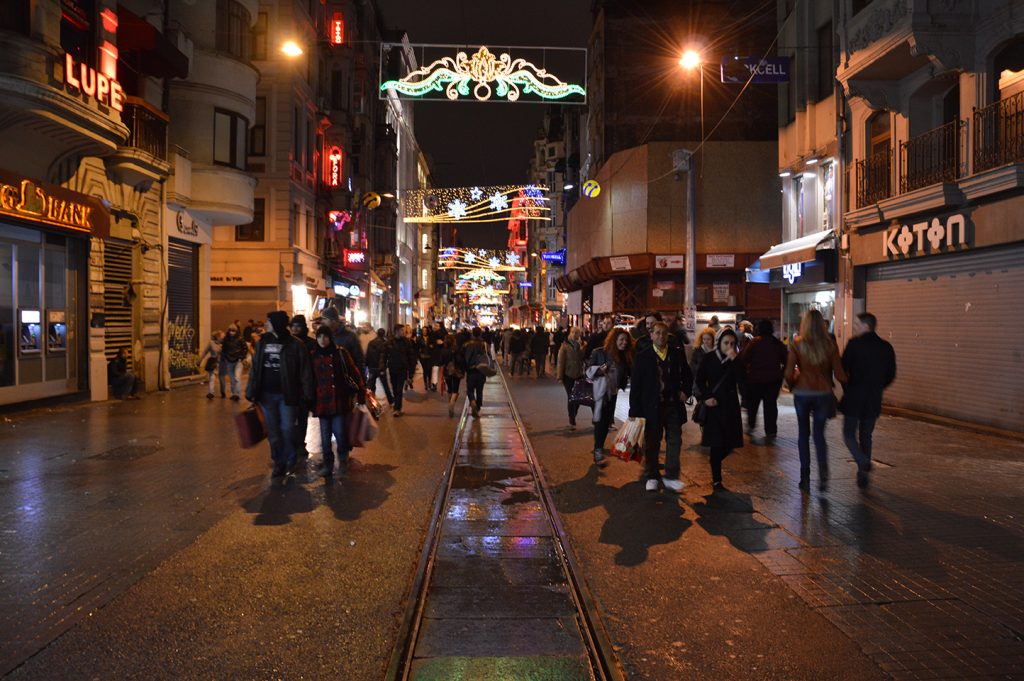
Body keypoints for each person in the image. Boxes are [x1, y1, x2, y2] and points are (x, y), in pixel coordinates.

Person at [784, 309, 848, 492]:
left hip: (803, 393)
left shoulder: (797, 344)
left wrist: (792, 384)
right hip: (823, 393)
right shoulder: (830, 345)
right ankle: (824, 475)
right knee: (819, 435)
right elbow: (840, 374)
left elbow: (788, 372)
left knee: (803, 434)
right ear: (822, 324)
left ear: (804, 324)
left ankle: (805, 477)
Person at [246, 311, 314, 478]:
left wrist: (307, 394)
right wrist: (251, 390)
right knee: (273, 432)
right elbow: (255, 368)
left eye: (268, 321)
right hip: (266, 395)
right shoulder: (263, 343)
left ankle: (291, 458)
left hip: (287, 396)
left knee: (287, 429)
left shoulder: (296, 345)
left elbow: (305, 371)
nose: (266, 324)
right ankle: (279, 462)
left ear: (276, 323)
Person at [629, 321, 693, 492]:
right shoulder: (643, 357)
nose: (660, 336)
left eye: (664, 333)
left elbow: (688, 374)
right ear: (651, 335)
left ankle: (671, 475)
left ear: (668, 336)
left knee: (675, 440)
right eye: (657, 333)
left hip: (672, 405)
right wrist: (634, 412)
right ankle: (652, 476)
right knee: (652, 443)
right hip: (652, 408)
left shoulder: (676, 354)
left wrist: (686, 391)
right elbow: (636, 387)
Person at [840, 312, 896, 488]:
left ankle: (862, 461)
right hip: (873, 398)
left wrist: (848, 387)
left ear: (866, 326)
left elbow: (843, 369)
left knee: (849, 433)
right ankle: (862, 474)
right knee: (866, 435)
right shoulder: (886, 347)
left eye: (857, 324)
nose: (854, 327)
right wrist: (878, 387)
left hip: (854, 396)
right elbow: (891, 374)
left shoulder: (854, 344)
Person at [310, 325, 364, 478]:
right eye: (319, 336)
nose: (322, 340)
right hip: (322, 402)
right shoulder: (313, 355)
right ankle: (328, 465)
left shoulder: (340, 353)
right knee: (325, 437)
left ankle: (343, 461)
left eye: (325, 336)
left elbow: (353, 371)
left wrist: (361, 390)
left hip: (339, 401)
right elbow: (310, 379)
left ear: (330, 338)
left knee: (340, 433)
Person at [695, 328, 745, 490]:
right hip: (714, 406)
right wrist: (706, 397)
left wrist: (736, 360)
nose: (729, 346)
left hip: (730, 406)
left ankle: (715, 463)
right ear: (719, 343)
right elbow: (700, 381)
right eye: (726, 343)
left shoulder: (736, 360)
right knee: (716, 443)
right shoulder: (709, 358)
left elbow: (744, 382)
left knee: (730, 443)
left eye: (732, 343)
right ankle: (717, 479)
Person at [587, 328, 634, 464]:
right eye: (621, 340)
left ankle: (598, 449)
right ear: (614, 341)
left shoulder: (625, 356)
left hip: (613, 394)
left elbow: (629, 373)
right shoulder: (599, 353)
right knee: (601, 422)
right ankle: (598, 451)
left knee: (607, 421)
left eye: (626, 340)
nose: (624, 343)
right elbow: (588, 371)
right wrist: (599, 371)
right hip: (600, 393)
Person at [738, 320, 787, 439]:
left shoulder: (754, 343)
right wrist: (781, 373)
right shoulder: (777, 343)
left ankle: (751, 425)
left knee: (753, 405)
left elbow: (743, 359)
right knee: (770, 406)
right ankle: (771, 431)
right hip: (773, 381)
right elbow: (786, 360)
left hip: (755, 380)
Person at [289, 315, 318, 462]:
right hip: (290, 387)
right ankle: (292, 444)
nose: (295, 329)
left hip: (304, 387)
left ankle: (300, 443)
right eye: (292, 326)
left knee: (302, 418)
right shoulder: (287, 343)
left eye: (297, 326)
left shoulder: (311, 344)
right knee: (289, 418)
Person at [556, 327, 586, 430]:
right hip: (568, 375)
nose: (574, 334)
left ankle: (574, 414)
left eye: (576, 333)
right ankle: (571, 419)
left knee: (578, 398)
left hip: (579, 375)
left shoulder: (582, 345)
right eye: (573, 332)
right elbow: (560, 362)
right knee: (571, 397)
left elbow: (584, 358)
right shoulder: (565, 345)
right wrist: (559, 376)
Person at [321, 307, 366, 376]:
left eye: (324, 319)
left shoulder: (350, 336)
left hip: (346, 378)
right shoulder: (324, 336)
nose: (322, 322)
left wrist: (361, 380)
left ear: (333, 321)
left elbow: (359, 360)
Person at [386, 324, 416, 416]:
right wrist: (382, 366)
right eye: (402, 330)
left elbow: (411, 357)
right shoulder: (390, 342)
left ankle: (397, 409)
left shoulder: (407, 342)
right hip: (392, 368)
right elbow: (384, 354)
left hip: (402, 369)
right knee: (395, 389)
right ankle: (398, 407)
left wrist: (411, 373)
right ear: (397, 331)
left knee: (399, 389)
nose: (404, 332)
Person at [463, 328, 489, 418]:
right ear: (481, 334)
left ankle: (472, 401)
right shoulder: (484, 344)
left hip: (471, 370)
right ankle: (477, 408)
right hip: (481, 370)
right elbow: (488, 356)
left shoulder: (467, 344)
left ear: (472, 334)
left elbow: (464, 358)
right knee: (479, 390)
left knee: (470, 390)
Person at [365, 328, 394, 406]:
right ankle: (391, 401)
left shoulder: (371, 343)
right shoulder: (385, 343)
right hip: (381, 368)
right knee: (385, 386)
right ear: (383, 334)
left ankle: (372, 402)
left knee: (371, 386)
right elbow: (387, 356)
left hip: (372, 368)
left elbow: (367, 355)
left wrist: (367, 365)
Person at [219, 324, 247, 400]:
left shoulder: (240, 339)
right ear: (228, 331)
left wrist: (242, 357)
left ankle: (236, 394)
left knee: (237, 378)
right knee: (232, 378)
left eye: (233, 331)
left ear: (236, 331)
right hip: (229, 361)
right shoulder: (226, 339)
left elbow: (245, 348)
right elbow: (223, 350)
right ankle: (233, 393)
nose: (232, 332)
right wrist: (224, 358)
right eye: (230, 330)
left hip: (238, 361)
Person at [439, 333, 465, 417]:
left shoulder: (443, 350)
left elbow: (441, 361)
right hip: (456, 371)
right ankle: (452, 404)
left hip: (447, 371)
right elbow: (460, 360)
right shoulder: (456, 349)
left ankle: (449, 402)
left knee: (449, 388)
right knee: (455, 390)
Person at [197, 331, 223, 399]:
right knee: (212, 377)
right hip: (213, 361)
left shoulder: (223, 344)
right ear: (217, 336)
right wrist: (199, 360)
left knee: (219, 377)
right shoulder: (211, 343)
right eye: (221, 336)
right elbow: (205, 352)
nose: (222, 337)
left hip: (220, 362)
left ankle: (222, 392)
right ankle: (211, 392)